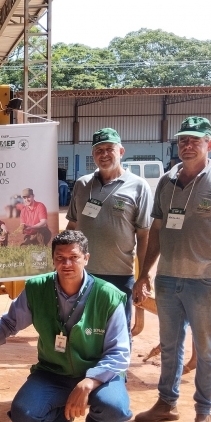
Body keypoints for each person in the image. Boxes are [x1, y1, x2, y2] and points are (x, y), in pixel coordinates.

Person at [0, 230, 132, 422]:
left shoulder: (108, 296)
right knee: (24, 414)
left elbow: (119, 352)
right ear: (53, 259)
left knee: (115, 409)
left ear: (86, 258)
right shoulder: (37, 288)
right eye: (60, 258)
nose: (67, 263)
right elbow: (9, 322)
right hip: (53, 372)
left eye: (74, 257)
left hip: (99, 376)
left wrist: (88, 382)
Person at [133, 117, 211, 422]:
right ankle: (166, 403)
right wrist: (144, 274)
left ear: (209, 145)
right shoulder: (167, 182)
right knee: (171, 347)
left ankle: (203, 411)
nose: (187, 145)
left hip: (204, 281)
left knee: (207, 349)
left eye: (195, 140)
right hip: (168, 280)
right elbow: (156, 230)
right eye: (183, 140)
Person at [66, 128, 153, 327]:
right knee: (84, 331)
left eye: (109, 149)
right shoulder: (82, 185)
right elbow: (72, 226)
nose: (104, 154)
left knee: (117, 331)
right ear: (93, 154)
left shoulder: (138, 187)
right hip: (83, 274)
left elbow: (144, 235)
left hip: (120, 276)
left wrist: (144, 275)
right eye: (98, 150)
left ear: (121, 151)